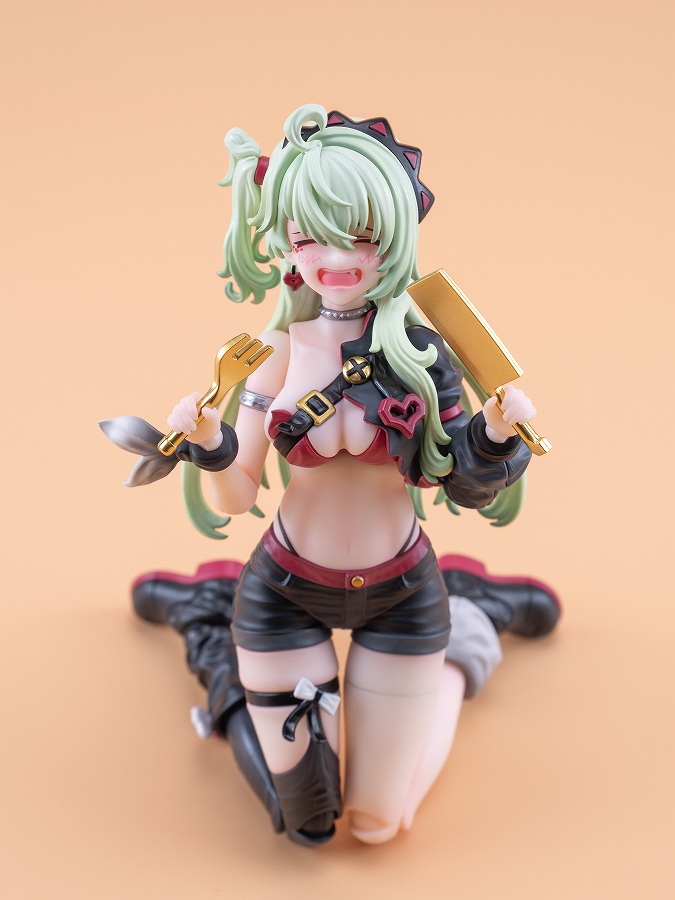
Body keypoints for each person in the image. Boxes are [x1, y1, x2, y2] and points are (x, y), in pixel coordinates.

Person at [102, 104, 560, 847]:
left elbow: (463, 489)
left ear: (396, 237)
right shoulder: (275, 353)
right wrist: (211, 443)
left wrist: (496, 435)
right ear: (286, 239)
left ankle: (471, 622)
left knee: (378, 824)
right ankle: (212, 633)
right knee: (308, 822)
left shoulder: (422, 353)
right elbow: (237, 493)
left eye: (362, 234)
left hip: (403, 593)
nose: (336, 257)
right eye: (310, 233)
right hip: (284, 590)